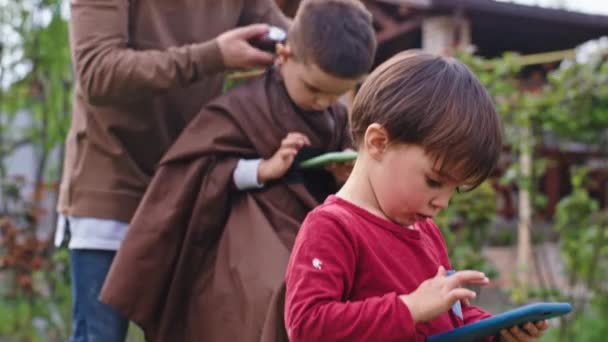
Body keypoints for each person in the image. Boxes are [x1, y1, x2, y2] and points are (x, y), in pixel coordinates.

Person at [99, 1, 377, 341]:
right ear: (285, 55)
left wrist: (340, 173)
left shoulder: (335, 117)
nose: (321, 103)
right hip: (243, 233)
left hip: (310, 228)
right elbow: (199, 170)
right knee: (277, 289)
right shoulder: (241, 108)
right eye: (314, 89)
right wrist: (262, 169)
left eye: (335, 95)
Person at [55, 0, 289, 341]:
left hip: (185, 186)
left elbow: (292, 36)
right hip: (110, 183)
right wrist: (212, 57)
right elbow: (97, 71)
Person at [284, 50, 551, 342]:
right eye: (434, 181)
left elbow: (447, 318)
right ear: (378, 143)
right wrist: (409, 308)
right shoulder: (332, 228)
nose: (443, 202)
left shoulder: (426, 231)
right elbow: (307, 326)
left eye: (455, 189)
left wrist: (494, 331)